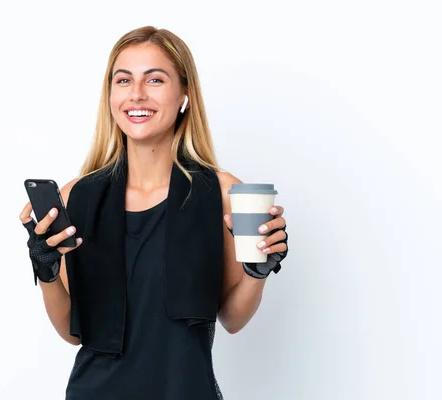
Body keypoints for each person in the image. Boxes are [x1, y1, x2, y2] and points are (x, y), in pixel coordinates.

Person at [19, 26, 289, 400]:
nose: (136, 94)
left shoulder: (225, 193)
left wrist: (258, 271)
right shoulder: (76, 196)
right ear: (110, 95)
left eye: (155, 79)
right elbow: (71, 332)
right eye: (124, 79)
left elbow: (233, 319)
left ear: (185, 94)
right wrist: (46, 269)